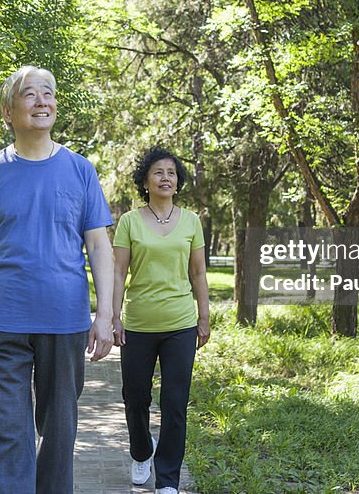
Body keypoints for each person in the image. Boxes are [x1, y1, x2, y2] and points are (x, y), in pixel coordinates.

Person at [0, 65, 115, 494]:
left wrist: (105, 314)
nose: (42, 101)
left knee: (59, 430)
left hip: (65, 320)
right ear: (8, 111)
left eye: (48, 93)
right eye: (30, 94)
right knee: (7, 431)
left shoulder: (81, 170)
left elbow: (99, 246)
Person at [112, 146, 210, 494]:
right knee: (135, 397)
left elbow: (198, 274)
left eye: (171, 172)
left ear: (178, 181)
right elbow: (119, 271)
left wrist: (204, 316)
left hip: (180, 324)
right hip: (138, 324)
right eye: (158, 172)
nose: (166, 177)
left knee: (175, 402)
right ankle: (141, 452)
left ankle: (167, 479)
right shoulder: (129, 221)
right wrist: (113, 317)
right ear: (145, 180)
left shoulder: (191, 221)